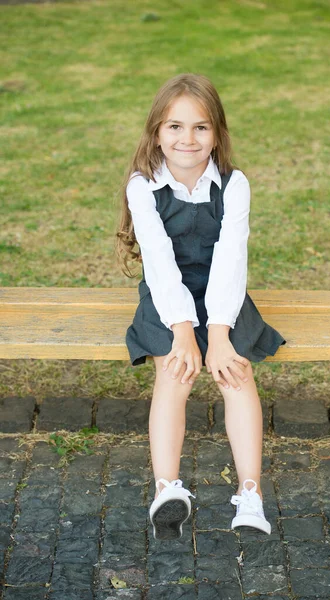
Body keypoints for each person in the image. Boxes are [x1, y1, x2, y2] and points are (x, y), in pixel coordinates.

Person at [116, 73, 286, 541]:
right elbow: (160, 263)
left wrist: (219, 335)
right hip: (167, 296)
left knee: (237, 373)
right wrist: (185, 333)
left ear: (217, 134)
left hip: (223, 297)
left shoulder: (234, 185)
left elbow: (231, 260)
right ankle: (167, 489)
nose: (187, 139)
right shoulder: (142, 187)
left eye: (200, 128)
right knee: (174, 371)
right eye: (174, 127)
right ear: (156, 132)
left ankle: (250, 496)